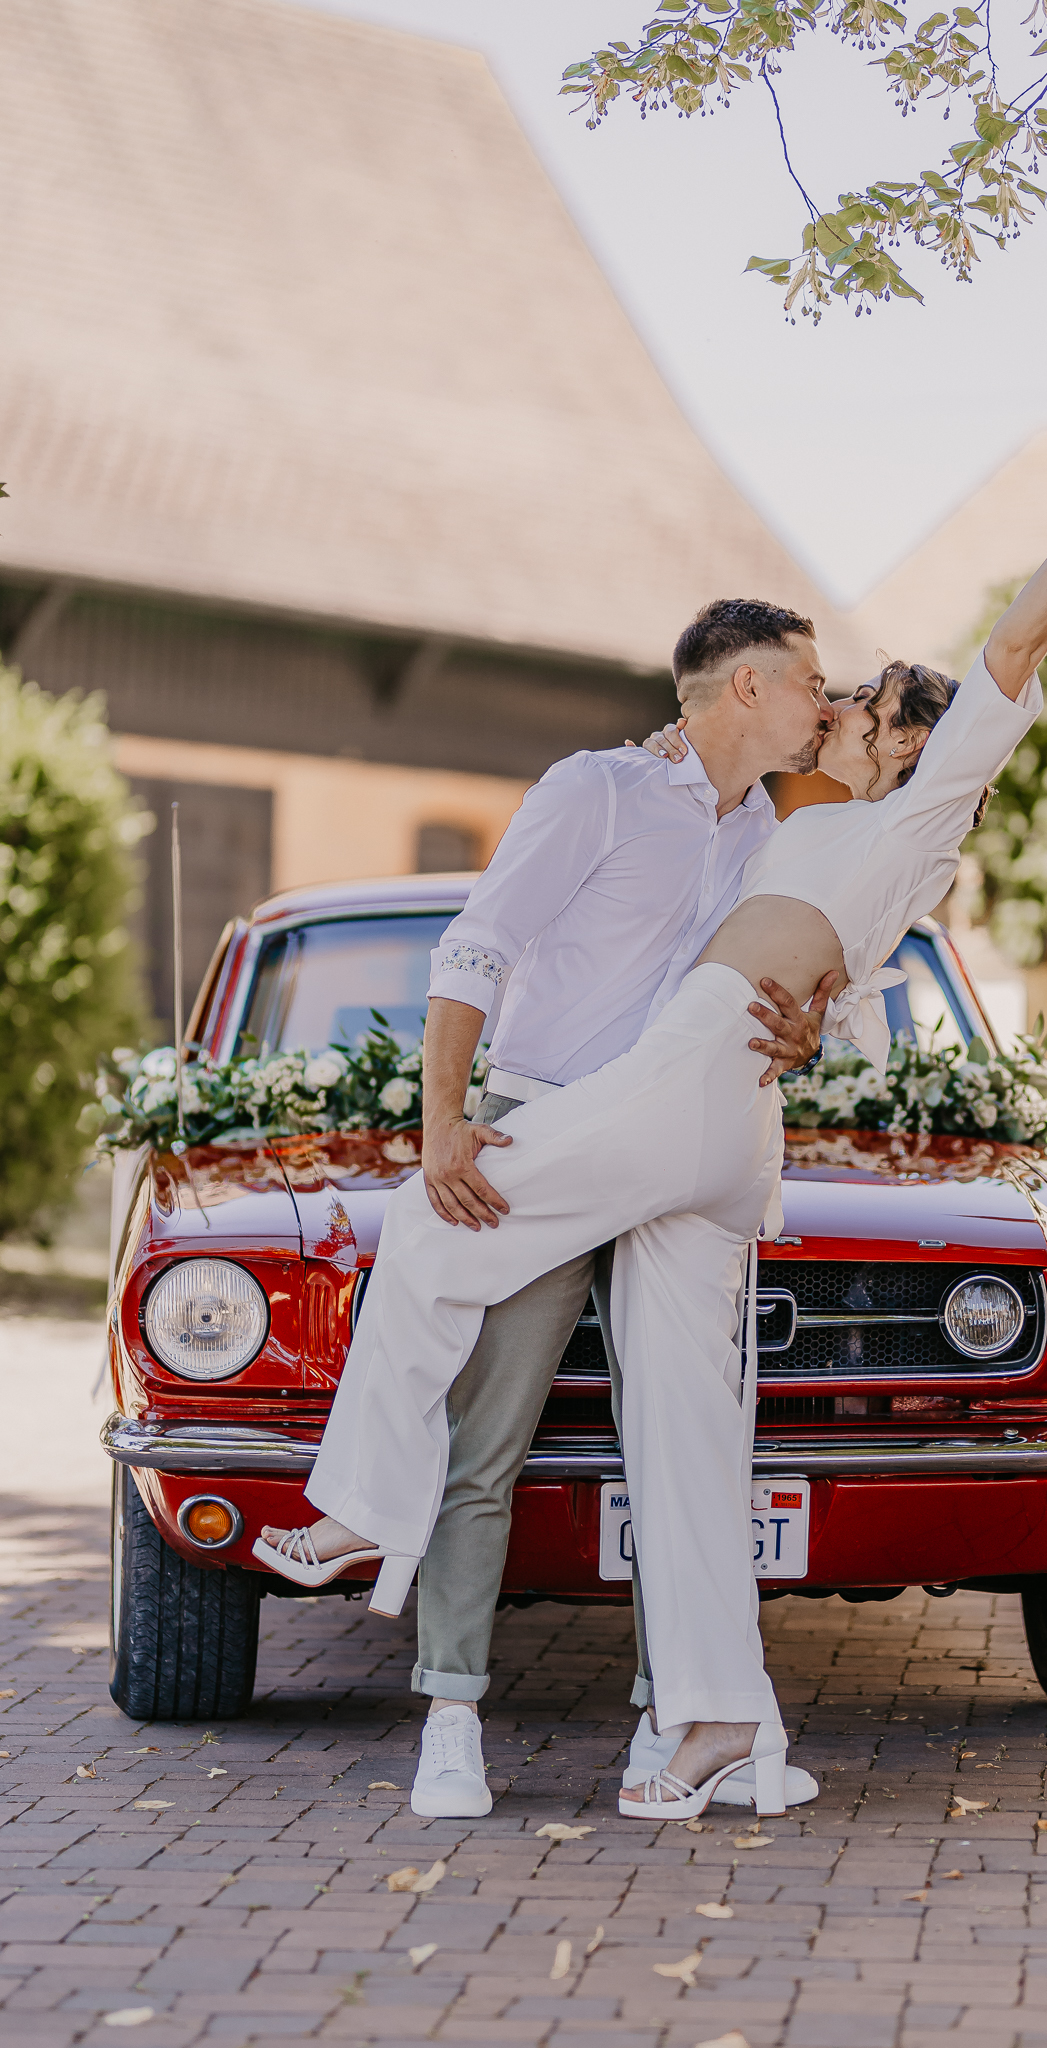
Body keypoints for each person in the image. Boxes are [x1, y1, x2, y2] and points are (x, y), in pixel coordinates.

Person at [257, 427, 1047, 1818]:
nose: (840, 705)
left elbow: (1015, 646)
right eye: (829, 688)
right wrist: (813, 1010)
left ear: (916, 744)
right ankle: (718, 1727)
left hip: (686, 1083)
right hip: (714, 1129)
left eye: (863, 700)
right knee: (689, 1443)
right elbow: (809, 962)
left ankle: (358, 1508)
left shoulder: (920, 806)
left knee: (436, 1229)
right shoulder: (761, 816)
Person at [258, 598, 839, 1819]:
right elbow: (477, 947)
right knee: (490, 1436)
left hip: (675, 1141)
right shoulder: (597, 790)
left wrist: (808, 1030)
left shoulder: (770, 831)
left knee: (678, 1447)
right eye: (810, 680)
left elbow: (781, 982)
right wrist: (445, 1122)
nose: (825, 702)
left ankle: (670, 1721)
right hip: (544, 1123)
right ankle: (451, 1722)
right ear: (744, 686)